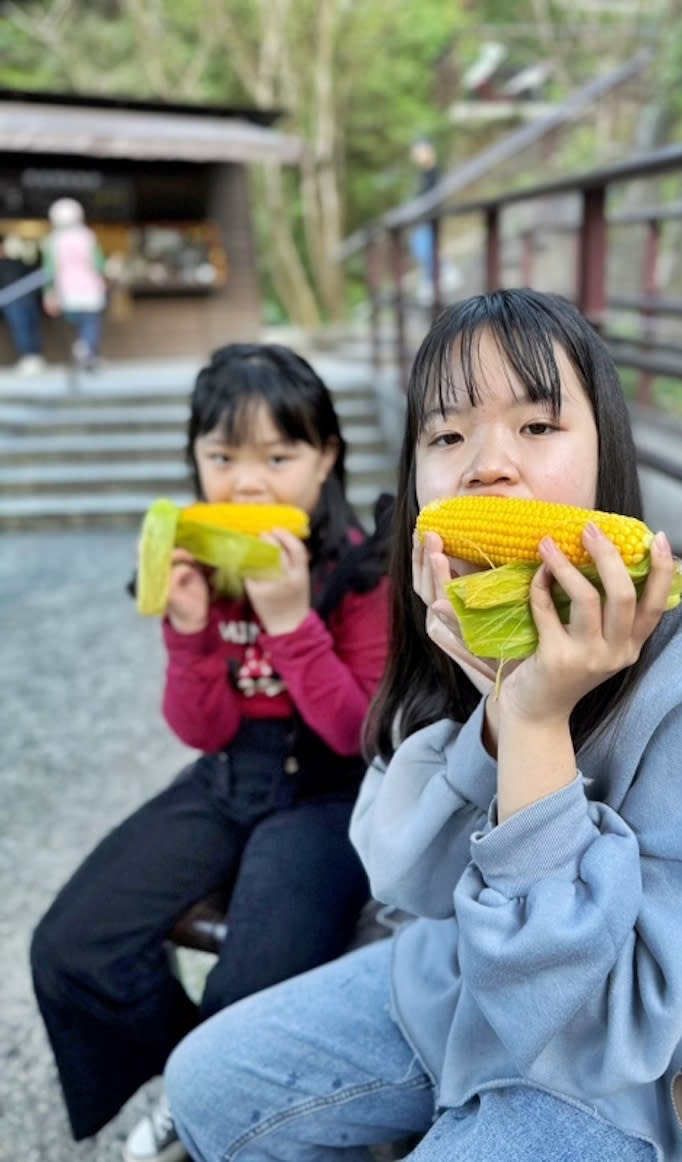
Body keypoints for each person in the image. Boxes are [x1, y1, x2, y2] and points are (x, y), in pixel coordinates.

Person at [163, 290, 682, 1162]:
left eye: (537, 426)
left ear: (608, 449)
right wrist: (491, 714)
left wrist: (535, 724)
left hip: (663, 1071)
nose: (486, 466)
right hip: (468, 989)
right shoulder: (463, 610)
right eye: (446, 436)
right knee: (208, 1083)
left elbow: (610, 1029)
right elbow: (404, 877)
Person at [30, 344, 392, 1162]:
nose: (248, 482)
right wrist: (190, 633)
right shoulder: (200, 563)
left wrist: (295, 620)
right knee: (71, 947)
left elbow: (356, 733)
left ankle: (225, 1097)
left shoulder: (362, 567)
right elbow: (201, 728)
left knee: (248, 989)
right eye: (221, 457)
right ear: (194, 460)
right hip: (231, 772)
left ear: (326, 457)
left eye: (278, 456)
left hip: (331, 791)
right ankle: (192, 1085)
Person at [41, 196, 107, 370]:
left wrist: (49, 292)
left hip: (66, 290)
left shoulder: (52, 241)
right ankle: (85, 348)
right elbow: (99, 264)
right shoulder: (87, 237)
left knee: (77, 321)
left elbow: (49, 270)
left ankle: (85, 349)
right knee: (91, 321)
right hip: (90, 287)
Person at [0, 233, 45, 374]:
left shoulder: (16, 261)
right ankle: (32, 358)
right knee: (24, 329)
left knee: (25, 329)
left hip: (20, 301)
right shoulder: (18, 262)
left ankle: (32, 358)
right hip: (19, 301)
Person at [409, 138, 440, 301]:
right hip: (425, 220)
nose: (416, 156)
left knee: (425, 249)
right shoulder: (424, 174)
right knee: (421, 249)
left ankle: (434, 280)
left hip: (430, 219)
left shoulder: (433, 174)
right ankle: (430, 282)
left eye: (419, 152)